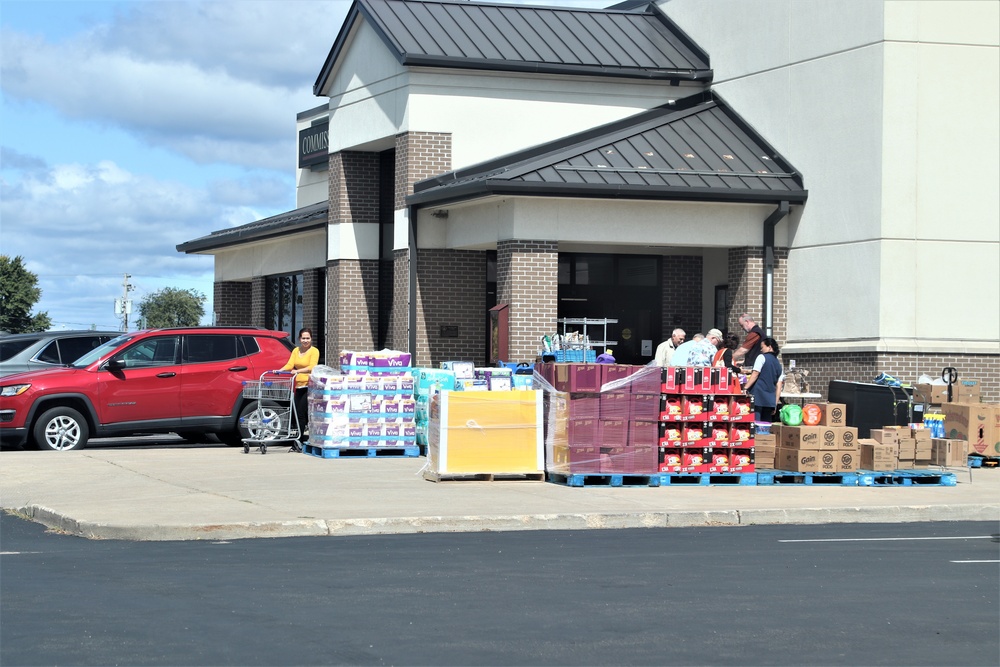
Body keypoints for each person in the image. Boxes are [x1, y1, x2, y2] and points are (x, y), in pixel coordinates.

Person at [280, 327, 319, 439]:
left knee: (301, 413)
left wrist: (298, 371)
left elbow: (312, 367)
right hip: (299, 385)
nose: (305, 341)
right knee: (297, 412)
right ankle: (300, 437)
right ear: (299, 339)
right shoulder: (296, 351)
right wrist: (280, 370)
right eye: (303, 338)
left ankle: (300, 439)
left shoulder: (314, 351)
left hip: (309, 386)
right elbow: (290, 364)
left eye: (308, 338)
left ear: (311, 339)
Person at [743, 336, 784, 422]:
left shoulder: (761, 357)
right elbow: (779, 386)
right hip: (770, 398)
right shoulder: (778, 364)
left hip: (758, 395)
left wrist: (745, 388)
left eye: (762, 347)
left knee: (755, 421)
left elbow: (755, 374)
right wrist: (775, 403)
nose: (761, 350)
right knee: (766, 424)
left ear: (769, 347)